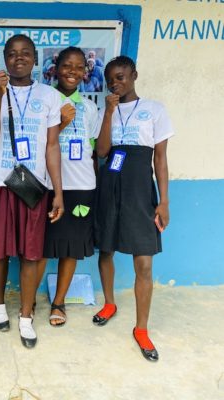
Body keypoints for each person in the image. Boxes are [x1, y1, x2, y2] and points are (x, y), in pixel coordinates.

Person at [0, 34, 64, 348]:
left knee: (32, 252)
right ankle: (0, 305)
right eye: (13, 53)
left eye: (26, 53)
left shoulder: (49, 96)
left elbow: (53, 146)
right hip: (1, 182)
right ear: (4, 58)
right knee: (1, 251)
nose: (19, 58)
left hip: (33, 185)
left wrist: (58, 192)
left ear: (35, 58)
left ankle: (26, 316)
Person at [93, 55, 174, 362]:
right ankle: (110, 303)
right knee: (106, 250)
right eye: (111, 79)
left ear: (134, 75)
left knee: (144, 261)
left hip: (141, 190)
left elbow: (161, 160)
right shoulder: (106, 109)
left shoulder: (155, 109)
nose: (116, 82)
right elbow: (102, 152)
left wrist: (163, 201)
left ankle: (141, 328)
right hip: (110, 186)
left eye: (122, 76)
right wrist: (110, 112)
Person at [42, 46, 100, 327]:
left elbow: (94, 150)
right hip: (46, 184)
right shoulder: (44, 101)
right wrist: (62, 123)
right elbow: (40, 144)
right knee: (38, 245)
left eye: (79, 67)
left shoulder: (90, 108)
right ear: (56, 68)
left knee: (72, 247)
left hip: (81, 186)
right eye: (67, 65)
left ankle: (59, 302)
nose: (73, 72)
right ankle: (27, 303)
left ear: (86, 72)